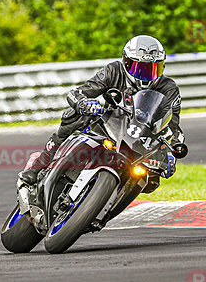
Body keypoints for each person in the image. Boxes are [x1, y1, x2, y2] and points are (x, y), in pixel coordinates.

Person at [19, 35, 186, 185]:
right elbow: (78, 93)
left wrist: (173, 151)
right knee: (74, 116)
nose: (145, 75)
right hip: (109, 124)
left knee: (153, 181)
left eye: (152, 69)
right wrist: (84, 104)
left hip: (140, 139)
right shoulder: (114, 70)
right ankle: (41, 162)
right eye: (139, 68)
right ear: (126, 62)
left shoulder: (169, 88)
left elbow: (173, 126)